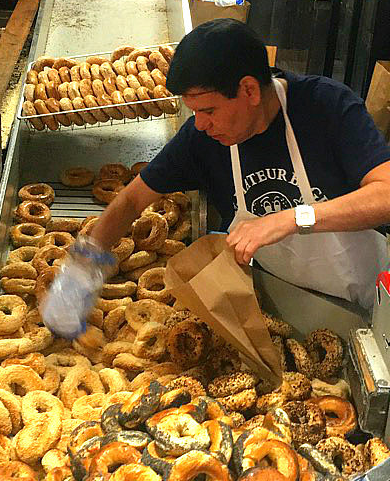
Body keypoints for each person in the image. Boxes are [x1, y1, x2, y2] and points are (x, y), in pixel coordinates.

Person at [41, 19, 390, 338]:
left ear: (249, 90)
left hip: (370, 306)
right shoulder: (202, 139)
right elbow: (131, 200)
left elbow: (386, 193)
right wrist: (82, 272)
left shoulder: (325, 106)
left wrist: (292, 218)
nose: (201, 124)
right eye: (194, 113)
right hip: (281, 311)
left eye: (209, 111)